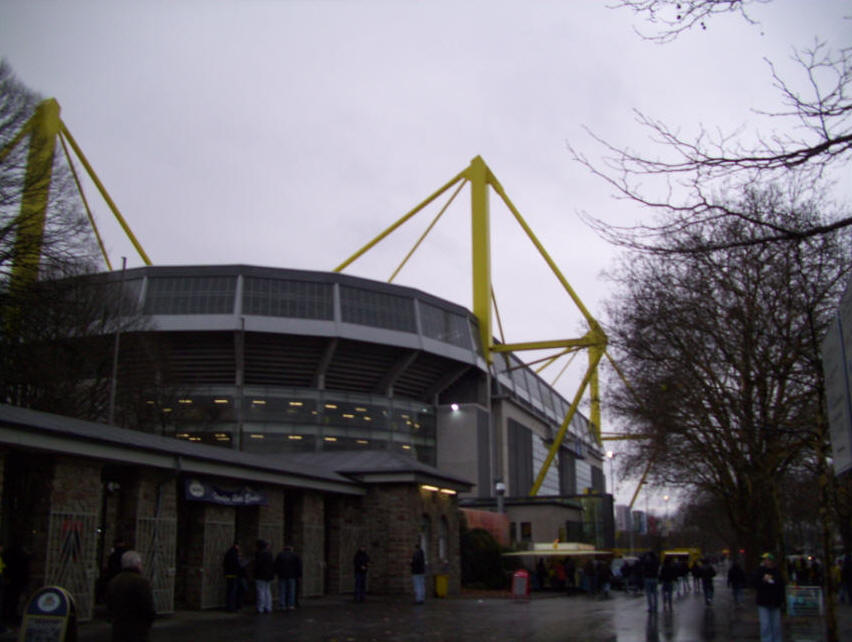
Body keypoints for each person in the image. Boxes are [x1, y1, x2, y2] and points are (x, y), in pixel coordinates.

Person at [106, 550, 156, 642]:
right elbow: (148, 607)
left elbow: (109, 606)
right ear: (137, 564)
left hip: (119, 630)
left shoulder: (114, 582)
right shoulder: (141, 582)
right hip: (137, 630)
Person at [753, 552, 785, 642]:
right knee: (765, 625)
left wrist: (782, 600)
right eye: (765, 560)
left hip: (775, 602)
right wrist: (763, 580)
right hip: (763, 602)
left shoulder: (777, 572)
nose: (766, 562)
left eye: (768, 560)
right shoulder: (759, 571)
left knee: (776, 626)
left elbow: (781, 586)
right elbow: (755, 584)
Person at [274, 544, 302, 610]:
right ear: (291, 549)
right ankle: (291, 605)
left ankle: (282, 605)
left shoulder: (280, 555)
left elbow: (276, 565)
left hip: (282, 575)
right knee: (291, 591)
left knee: (282, 591)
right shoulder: (295, 555)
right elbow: (299, 566)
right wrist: (299, 575)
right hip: (292, 575)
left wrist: (277, 573)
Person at [254, 539, 274, 614]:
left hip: (260, 575)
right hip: (268, 575)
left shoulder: (259, 554)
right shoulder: (269, 554)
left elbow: (257, 565)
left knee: (260, 591)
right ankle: (268, 607)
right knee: (267, 591)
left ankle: (260, 607)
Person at [223, 543, 242, 611]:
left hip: (229, 574)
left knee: (230, 591)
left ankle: (230, 606)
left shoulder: (229, 554)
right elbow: (237, 564)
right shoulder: (234, 555)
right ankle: (232, 606)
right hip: (234, 574)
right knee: (233, 591)